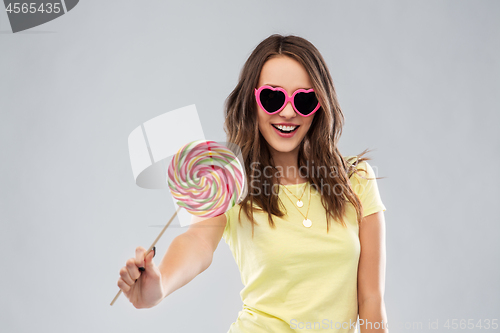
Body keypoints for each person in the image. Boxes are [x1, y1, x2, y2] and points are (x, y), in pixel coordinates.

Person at [117, 34, 388, 333]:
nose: (287, 112)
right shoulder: (231, 181)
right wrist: (161, 284)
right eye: (272, 98)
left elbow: (371, 299)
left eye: (304, 99)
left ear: (319, 106)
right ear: (252, 101)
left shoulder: (356, 180)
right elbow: (197, 241)